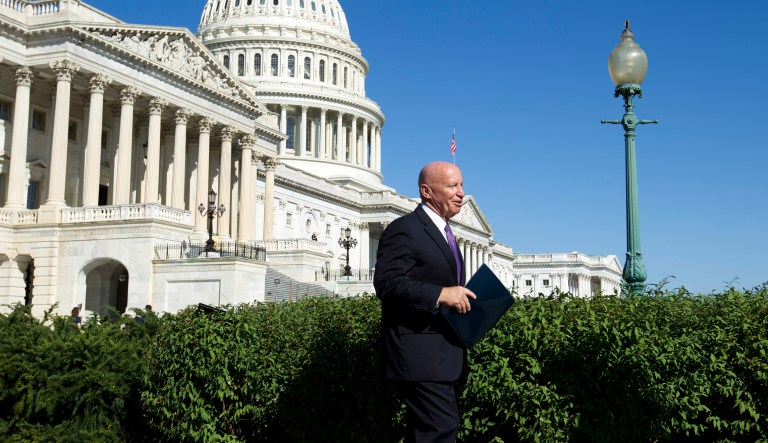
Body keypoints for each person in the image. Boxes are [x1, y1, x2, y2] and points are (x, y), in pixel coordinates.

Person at [374, 161, 477, 442]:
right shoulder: (405, 229)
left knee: (425, 434)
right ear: (427, 191)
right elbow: (387, 283)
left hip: (443, 354)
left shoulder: (446, 233)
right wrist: (443, 294)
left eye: (461, 185)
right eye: (452, 186)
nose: (461, 193)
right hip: (420, 354)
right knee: (440, 431)